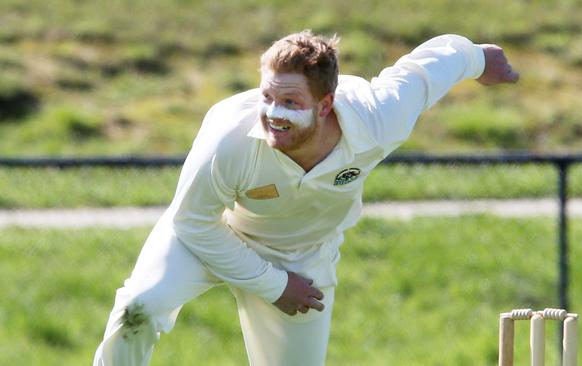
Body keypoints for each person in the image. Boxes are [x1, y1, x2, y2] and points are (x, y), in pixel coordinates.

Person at [93, 30, 518, 366]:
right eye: (267, 97)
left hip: (302, 257)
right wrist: (273, 285)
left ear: (326, 104)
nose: (274, 114)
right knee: (139, 309)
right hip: (211, 236)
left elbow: (428, 67)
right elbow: (191, 222)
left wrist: (479, 58)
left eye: (291, 101)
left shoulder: (376, 117)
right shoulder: (230, 140)